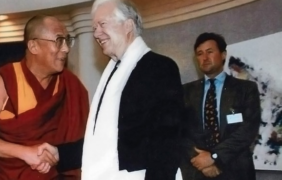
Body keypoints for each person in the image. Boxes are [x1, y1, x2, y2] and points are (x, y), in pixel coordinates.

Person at [0, 15, 89, 180]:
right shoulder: (4, 81)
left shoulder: (70, 85)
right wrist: (25, 152)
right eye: (59, 40)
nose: (66, 48)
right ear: (33, 46)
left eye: (67, 40)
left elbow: (82, 141)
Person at [81, 0, 184, 179]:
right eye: (94, 28)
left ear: (128, 25)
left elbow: (167, 141)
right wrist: (59, 153)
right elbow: (105, 140)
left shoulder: (159, 67)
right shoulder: (112, 73)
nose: (96, 33)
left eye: (102, 24)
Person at [181, 32, 261, 180]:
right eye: (199, 54)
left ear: (223, 54)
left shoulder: (245, 89)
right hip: (197, 171)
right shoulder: (185, 92)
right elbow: (180, 130)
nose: (204, 58)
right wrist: (199, 160)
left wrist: (214, 157)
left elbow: (248, 129)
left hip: (236, 170)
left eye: (210, 52)